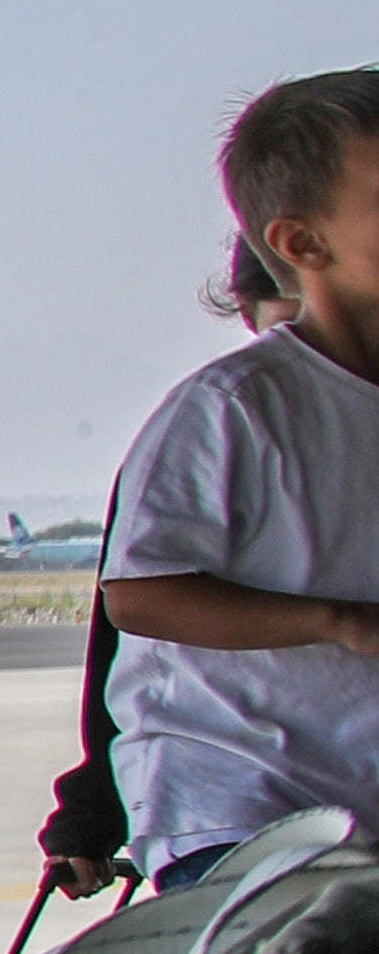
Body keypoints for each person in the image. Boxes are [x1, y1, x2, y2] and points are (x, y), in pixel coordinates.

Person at [98, 69, 379, 890]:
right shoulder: (234, 408)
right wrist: (340, 622)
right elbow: (137, 594)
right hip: (241, 810)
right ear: (301, 245)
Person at [44, 235, 299, 900]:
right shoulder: (219, 419)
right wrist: (92, 811)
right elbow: (128, 630)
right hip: (239, 820)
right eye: (290, 322)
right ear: (245, 311)